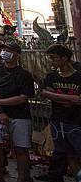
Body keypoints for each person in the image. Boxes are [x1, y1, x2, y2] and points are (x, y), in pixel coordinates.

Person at [0, 40, 34, 182]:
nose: (5, 52)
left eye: (9, 50)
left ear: (17, 55)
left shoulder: (24, 75)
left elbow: (23, 98)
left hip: (20, 115)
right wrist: (0, 110)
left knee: (21, 148)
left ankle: (22, 177)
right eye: (4, 49)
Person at [41, 44, 81, 182]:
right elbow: (44, 93)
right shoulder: (52, 77)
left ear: (64, 58)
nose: (51, 61)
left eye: (53, 58)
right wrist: (71, 98)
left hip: (76, 122)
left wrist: (56, 96)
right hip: (58, 121)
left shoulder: (78, 77)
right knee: (68, 154)